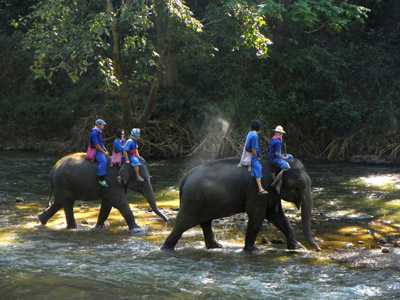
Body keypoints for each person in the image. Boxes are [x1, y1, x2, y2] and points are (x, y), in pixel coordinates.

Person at [246, 120, 268, 195]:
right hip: (252, 156)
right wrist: (257, 156)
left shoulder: (250, 133)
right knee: (259, 168)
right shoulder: (255, 136)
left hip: (249, 154)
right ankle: (260, 188)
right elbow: (253, 149)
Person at [89, 119, 110, 187]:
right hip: (95, 151)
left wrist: (106, 151)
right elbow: (96, 145)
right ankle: (101, 179)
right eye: (102, 124)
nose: (103, 126)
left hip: (99, 149)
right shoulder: (94, 133)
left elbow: (101, 143)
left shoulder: (99, 132)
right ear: (98, 125)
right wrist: (104, 152)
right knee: (103, 161)